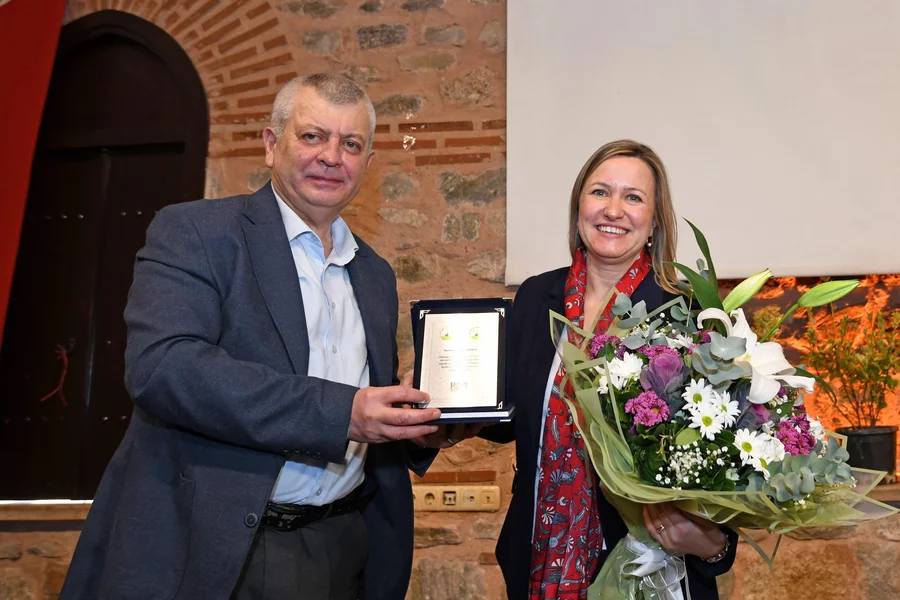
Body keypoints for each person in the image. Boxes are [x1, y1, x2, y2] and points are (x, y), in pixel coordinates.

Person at [61, 73, 470, 600]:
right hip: (223, 547)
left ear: (368, 163)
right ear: (271, 144)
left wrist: (413, 426)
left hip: (344, 544)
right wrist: (342, 413)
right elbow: (163, 368)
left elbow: (365, 410)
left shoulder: (374, 273)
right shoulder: (197, 232)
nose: (332, 157)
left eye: (351, 144)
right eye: (313, 136)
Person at [483, 140, 737, 599]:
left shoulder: (686, 310)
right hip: (541, 552)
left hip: (647, 564)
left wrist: (715, 545)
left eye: (633, 197)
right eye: (600, 192)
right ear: (579, 204)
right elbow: (513, 413)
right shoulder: (537, 296)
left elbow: (723, 448)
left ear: (655, 220)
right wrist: (443, 413)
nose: (613, 210)